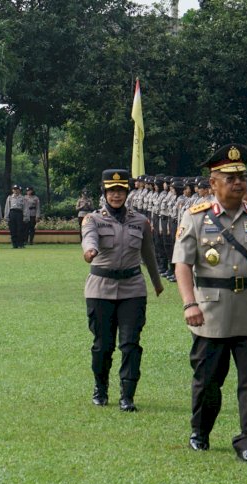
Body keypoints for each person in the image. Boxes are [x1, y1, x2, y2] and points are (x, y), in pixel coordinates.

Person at [172, 143, 247, 464]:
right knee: (208, 380)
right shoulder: (195, 218)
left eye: (242, 177)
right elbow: (182, 264)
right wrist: (189, 304)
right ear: (213, 184)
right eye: (230, 177)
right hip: (210, 311)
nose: (238, 183)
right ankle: (200, 430)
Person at [82, 169, 163, 412]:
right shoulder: (93, 219)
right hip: (100, 289)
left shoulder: (140, 221)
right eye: (111, 191)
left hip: (132, 289)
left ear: (126, 193)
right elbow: (89, 238)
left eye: (120, 191)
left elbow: (148, 253)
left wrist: (157, 282)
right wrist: (89, 251)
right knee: (103, 344)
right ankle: (101, 388)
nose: (116, 195)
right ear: (104, 193)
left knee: (130, 343)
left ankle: (127, 395)